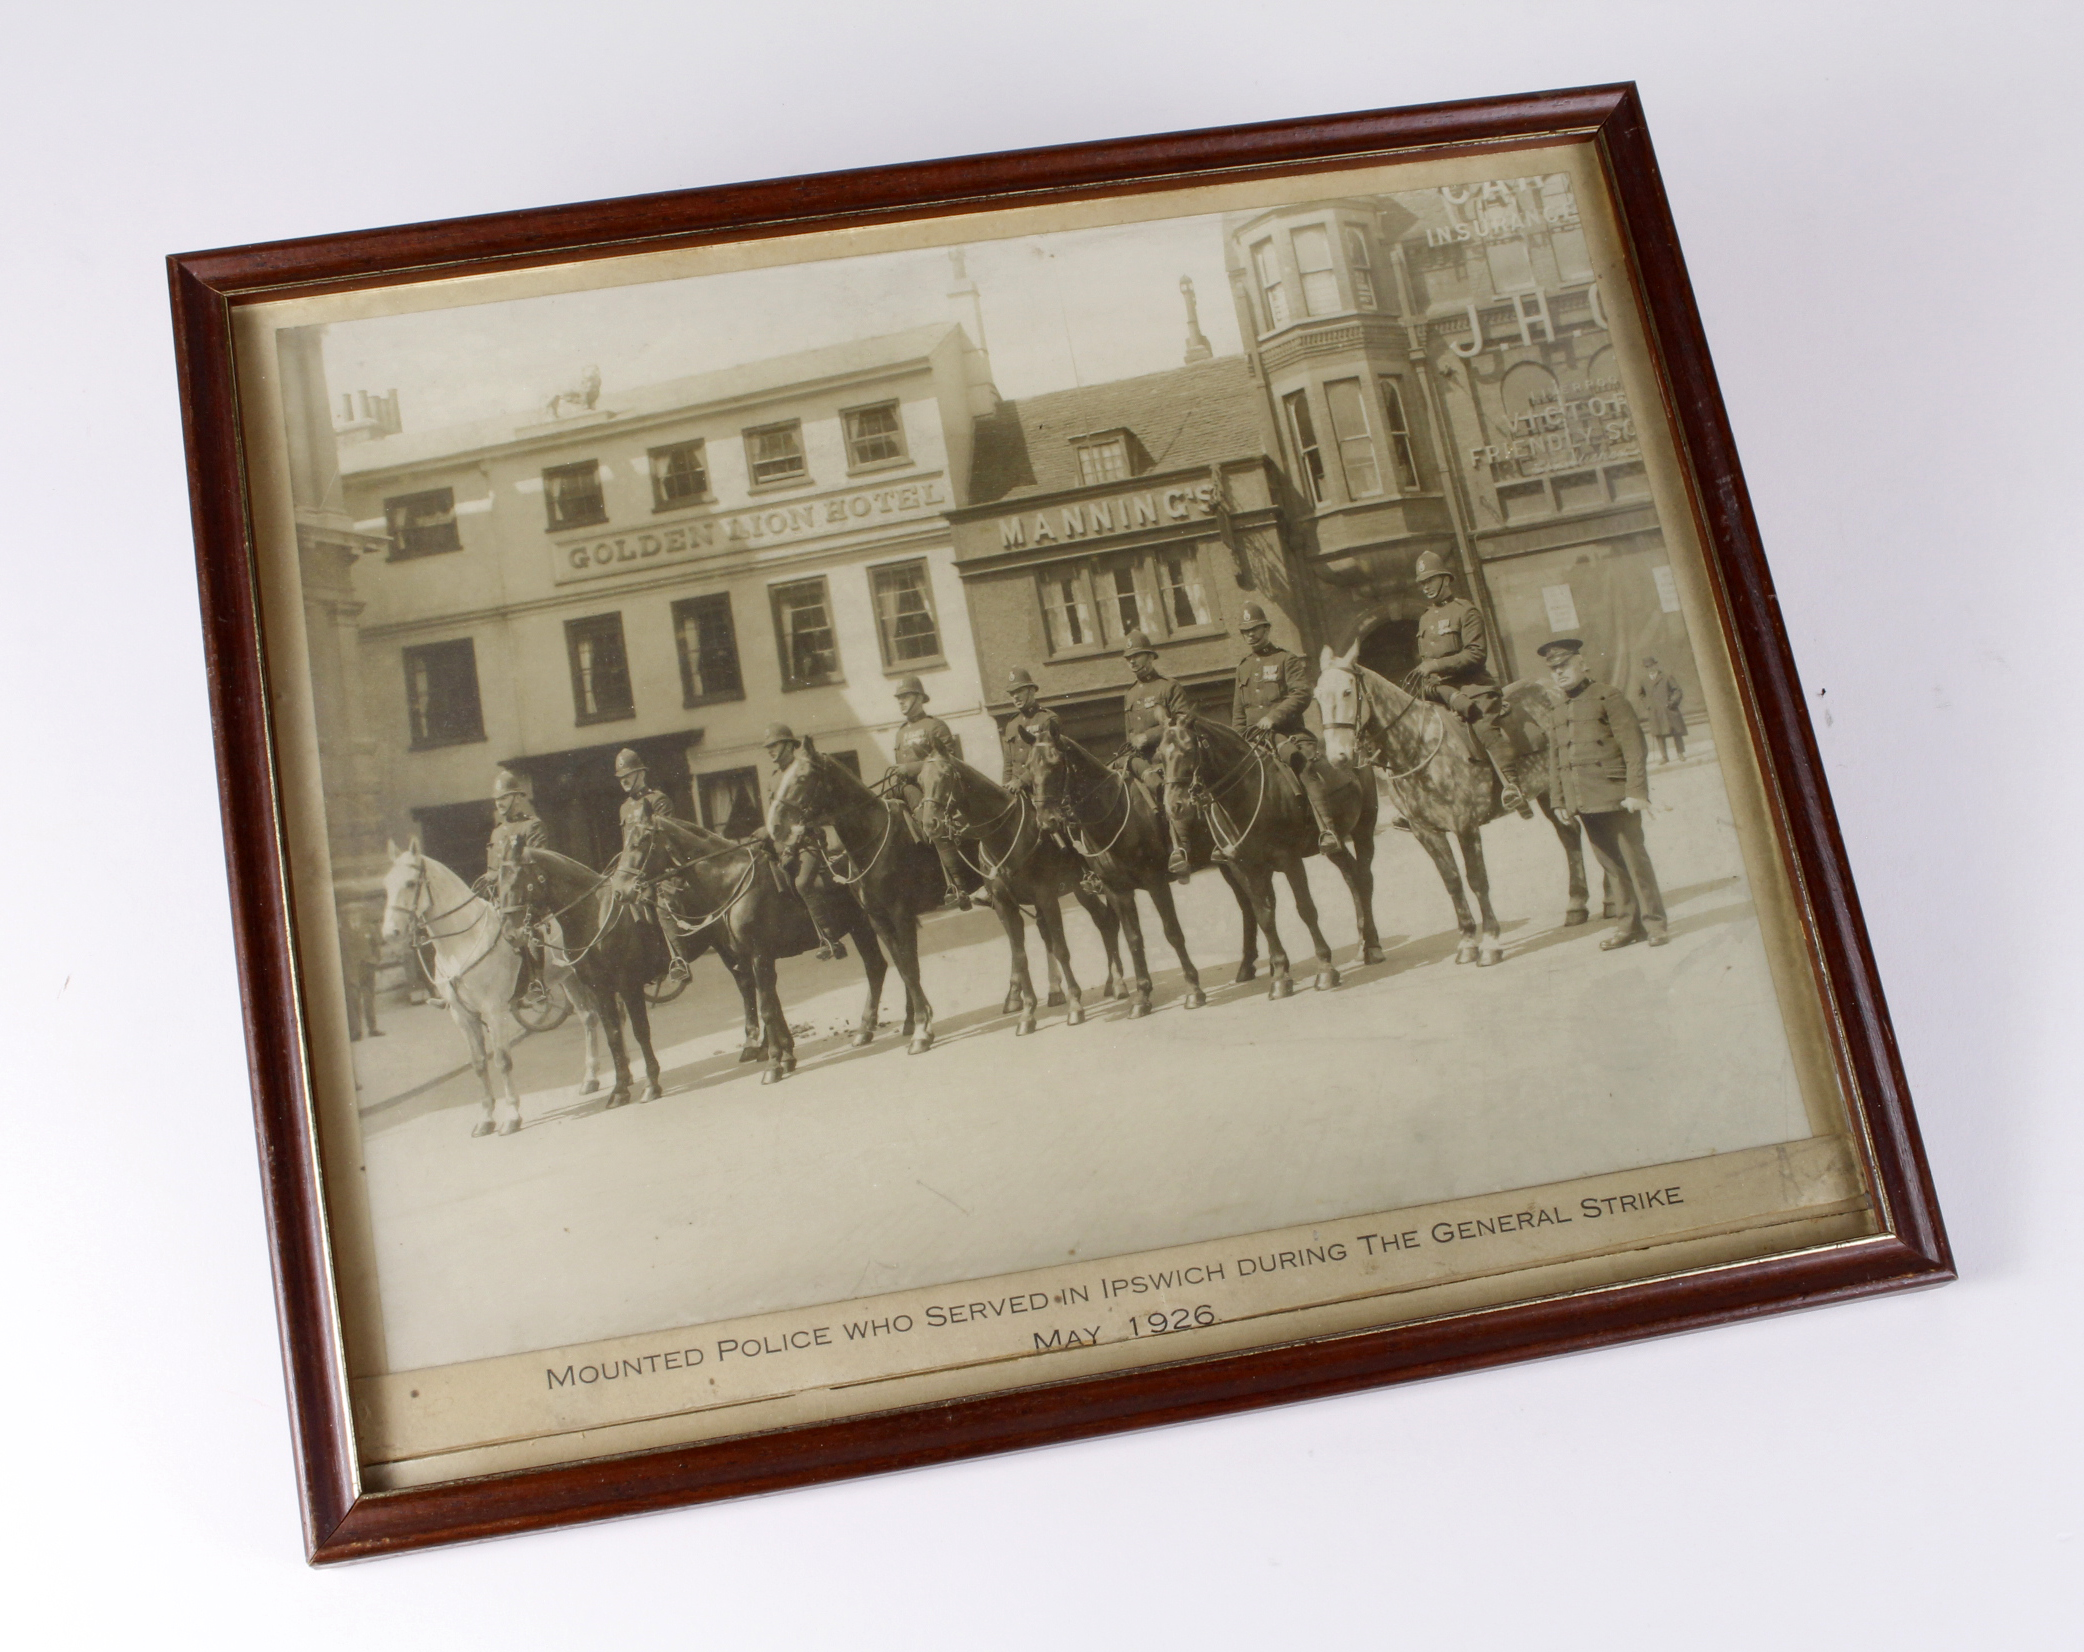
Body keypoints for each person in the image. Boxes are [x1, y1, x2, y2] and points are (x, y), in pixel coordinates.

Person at [1538, 638, 1667, 949]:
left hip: (1616, 795)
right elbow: (1556, 759)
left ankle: (1655, 925)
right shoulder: (1557, 709)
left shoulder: (1608, 697)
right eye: (1553, 669)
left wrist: (1637, 791)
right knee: (1611, 864)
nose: (1559, 673)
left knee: (1635, 861)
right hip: (1584, 800)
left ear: (1582, 664)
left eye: (1564, 666)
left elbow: (1634, 748)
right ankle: (1628, 926)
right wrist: (1560, 801)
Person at [1411, 548, 1530, 817]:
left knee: (1482, 723)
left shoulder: (1466, 611)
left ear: (1445, 579)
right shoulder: (1425, 618)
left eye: (1430, 580)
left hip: (1472, 686)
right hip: (1440, 691)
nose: (1426, 587)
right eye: (1422, 583)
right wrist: (1429, 677)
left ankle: (1513, 786)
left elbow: (1476, 654)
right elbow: (1425, 659)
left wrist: (1437, 665)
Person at [1231, 601, 1339, 852]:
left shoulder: (1285, 659)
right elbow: (1239, 711)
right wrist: (1236, 738)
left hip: (1285, 732)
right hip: (1252, 738)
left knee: (1300, 764)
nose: (1251, 634)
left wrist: (1274, 717)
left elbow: (1301, 693)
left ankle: (1327, 829)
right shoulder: (1243, 667)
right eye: (1246, 631)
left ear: (1267, 629)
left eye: (1255, 629)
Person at [759, 722, 849, 960]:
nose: (770, 750)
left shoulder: (802, 769)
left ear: (789, 744)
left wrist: (793, 840)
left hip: (808, 839)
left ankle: (831, 939)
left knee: (802, 884)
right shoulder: (774, 778)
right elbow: (776, 816)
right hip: (784, 842)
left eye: (775, 744)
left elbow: (813, 810)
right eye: (767, 746)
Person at [888, 676, 972, 910]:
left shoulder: (935, 726)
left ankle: (959, 886)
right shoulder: (900, 732)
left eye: (905, 697)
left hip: (933, 789)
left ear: (918, 697)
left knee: (931, 824)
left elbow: (948, 762)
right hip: (906, 789)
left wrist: (910, 768)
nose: (901, 702)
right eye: (899, 698)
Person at [1119, 630, 1193, 880]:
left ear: (1150, 657)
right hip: (1141, 762)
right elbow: (1130, 733)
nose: (1133, 661)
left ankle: (1181, 849)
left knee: (1165, 789)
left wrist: (1149, 737)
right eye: (1129, 657)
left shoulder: (1168, 687)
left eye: (1137, 656)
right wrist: (1134, 743)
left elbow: (1182, 721)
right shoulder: (1129, 694)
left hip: (1168, 758)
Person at [614, 747, 692, 981]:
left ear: (641, 773)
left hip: (662, 869)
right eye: (621, 778)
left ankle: (679, 960)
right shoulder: (624, 808)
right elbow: (628, 847)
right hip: (637, 871)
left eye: (629, 774)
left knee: (661, 906)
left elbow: (667, 841)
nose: (624, 780)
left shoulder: (658, 800)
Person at [340, 903, 382, 1040]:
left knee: (369, 998)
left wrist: (375, 959)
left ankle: (373, 1028)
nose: (354, 916)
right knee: (354, 1000)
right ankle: (356, 1031)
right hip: (352, 969)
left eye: (357, 913)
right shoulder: (341, 933)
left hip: (368, 966)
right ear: (346, 917)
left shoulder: (369, 928)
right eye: (351, 914)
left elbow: (376, 945)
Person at [1639, 653, 1687, 763]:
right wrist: (1648, 705)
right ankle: (1664, 757)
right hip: (1655, 712)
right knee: (1659, 734)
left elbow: (1677, 690)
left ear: (1655, 665)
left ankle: (1680, 754)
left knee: (1676, 732)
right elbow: (1641, 695)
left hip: (1669, 709)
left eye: (1651, 666)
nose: (1650, 668)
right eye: (1647, 667)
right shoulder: (1644, 681)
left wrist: (1672, 702)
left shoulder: (1666, 677)